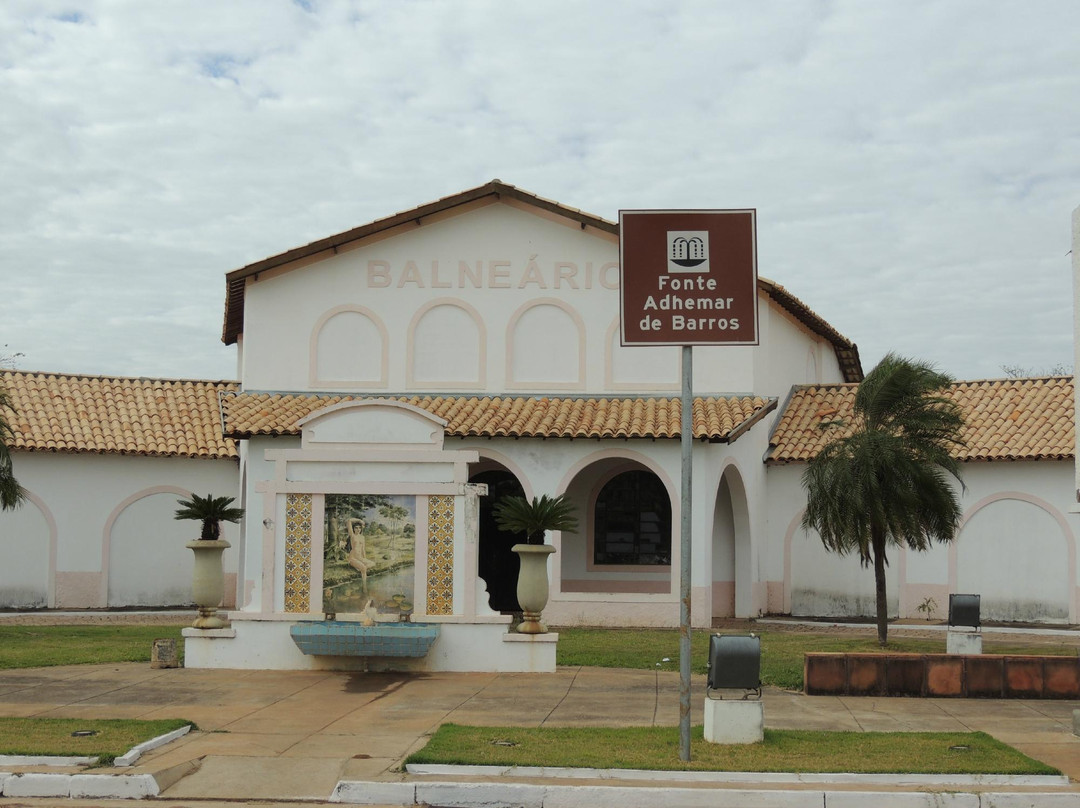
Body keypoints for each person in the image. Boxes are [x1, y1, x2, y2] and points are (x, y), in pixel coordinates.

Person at [346, 517, 375, 590]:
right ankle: (364, 587)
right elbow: (349, 520)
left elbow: (363, 549)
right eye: (356, 528)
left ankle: (359, 568)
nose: (358, 529)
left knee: (373, 563)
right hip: (352, 558)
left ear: (361, 529)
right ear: (353, 529)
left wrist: (364, 559)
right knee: (364, 568)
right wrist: (359, 520)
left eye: (359, 528)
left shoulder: (362, 537)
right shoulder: (352, 535)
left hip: (360, 558)